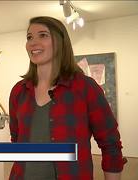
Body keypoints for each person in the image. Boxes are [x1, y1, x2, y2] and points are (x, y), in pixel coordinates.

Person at [9, 16, 126, 180]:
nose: (33, 43)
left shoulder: (86, 88)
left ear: (60, 41)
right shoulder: (18, 91)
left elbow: (110, 144)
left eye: (43, 35)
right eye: (29, 37)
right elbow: (16, 140)